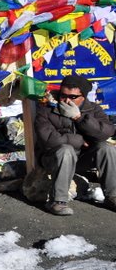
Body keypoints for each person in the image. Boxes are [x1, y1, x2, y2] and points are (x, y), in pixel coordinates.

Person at [34, 74, 116, 215]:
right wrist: (79, 140)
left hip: (81, 158)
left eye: (72, 97)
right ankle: (57, 201)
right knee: (66, 150)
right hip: (54, 158)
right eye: (63, 95)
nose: (66, 100)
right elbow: (49, 141)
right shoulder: (47, 110)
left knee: (106, 148)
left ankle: (112, 196)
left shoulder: (93, 109)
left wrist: (78, 118)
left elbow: (106, 132)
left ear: (83, 97)